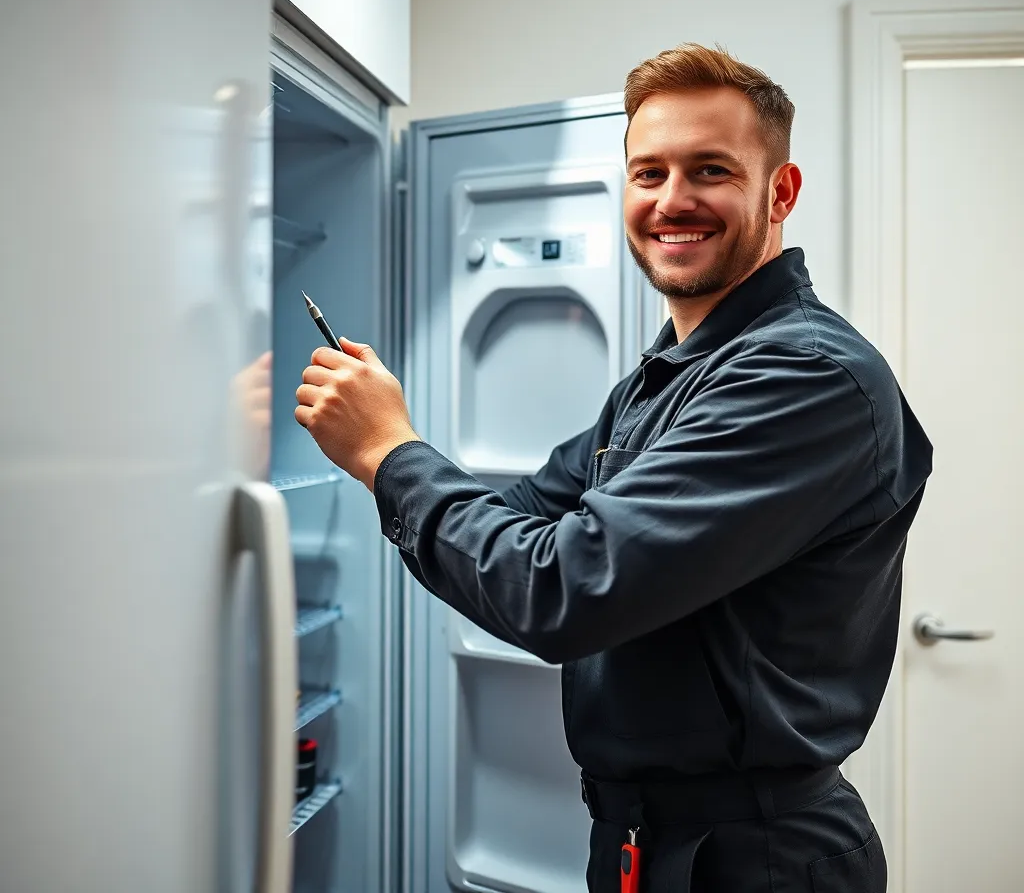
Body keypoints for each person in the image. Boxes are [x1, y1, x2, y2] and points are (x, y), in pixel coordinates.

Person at [294, 44, 933, 892]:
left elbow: (560, 588)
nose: (672, 200)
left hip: (757, 859)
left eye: (710, 170)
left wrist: (386, 450)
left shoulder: (803, 377)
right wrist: (391, 449)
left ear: (780, 192)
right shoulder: (667, 378)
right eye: (648, 173)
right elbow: (524, 515)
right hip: (647, 840)